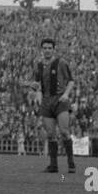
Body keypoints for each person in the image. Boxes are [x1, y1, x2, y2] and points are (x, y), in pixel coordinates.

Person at [24, 36, 76, 174]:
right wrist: (35, 93)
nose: (47, 50)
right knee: (51, 134)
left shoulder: (61, 63)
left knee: (64, 131)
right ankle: (53, 166)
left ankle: (71, 163)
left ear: (53, 49)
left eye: (49, 48)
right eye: (45, 48)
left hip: (60, 100)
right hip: (46, 102)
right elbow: (37, 85)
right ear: (42, 50)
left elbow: (71, 81)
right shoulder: (39, 65)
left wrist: (66, 94)